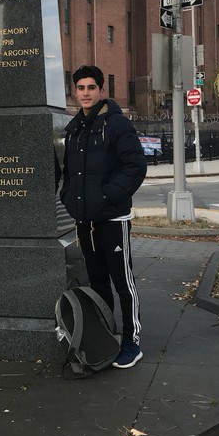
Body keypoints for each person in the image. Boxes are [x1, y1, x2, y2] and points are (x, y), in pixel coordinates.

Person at [60, 65, 147, 369]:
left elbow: (135, 167)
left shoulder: (117, 125)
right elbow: (70, 173)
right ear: (75, 91)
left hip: (112, 219)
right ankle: (107, 334)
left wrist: (109, 196)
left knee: (122, 282)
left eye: (91, 87)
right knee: (97, 283)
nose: (85, 93)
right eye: (80, 88)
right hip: (86, 221)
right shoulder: (73, 130)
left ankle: (131, 341)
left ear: (100, 90)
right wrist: (68, 197)